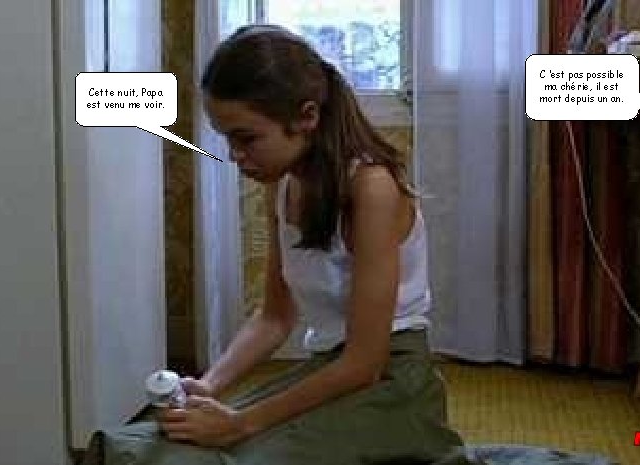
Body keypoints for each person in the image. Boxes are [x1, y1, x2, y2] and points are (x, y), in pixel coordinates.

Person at [81, 24, 473, 465]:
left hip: (391, 381)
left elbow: (364, 362)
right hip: (330, 369)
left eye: (246, 138)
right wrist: (210, 385)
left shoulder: (372, 188)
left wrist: (241, 423)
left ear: (306, 117)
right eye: (226, 139)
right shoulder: (284, 185)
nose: (235, 155)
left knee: (244, 456)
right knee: (162, 445)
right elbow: (274, 318)